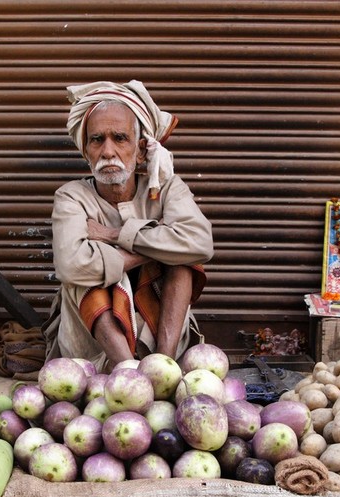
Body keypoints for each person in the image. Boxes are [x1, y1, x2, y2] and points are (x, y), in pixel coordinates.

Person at [43, 80, 214, 372]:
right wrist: (158, 244)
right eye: (97, 140)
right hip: (93, 345)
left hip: (157, 330)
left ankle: (164, 368)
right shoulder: (71, 196)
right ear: (86, 151)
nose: (108, 151)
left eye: (120, 138)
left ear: (140, 150)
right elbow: (71, 265)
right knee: (85, 279)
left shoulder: (167, 188)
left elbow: (200, 244)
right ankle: (127, 372)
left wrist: (112, 235)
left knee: (185, 265)